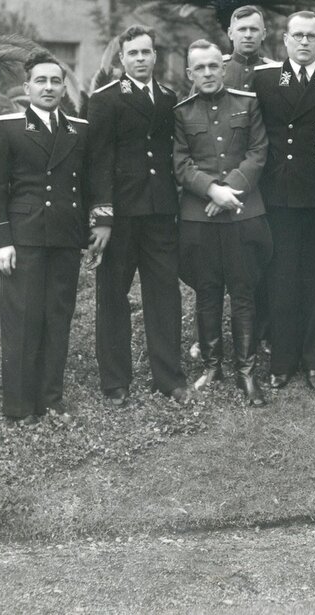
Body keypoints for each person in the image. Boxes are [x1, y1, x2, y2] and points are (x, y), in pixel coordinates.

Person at [0, 52, 106, 425]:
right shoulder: (8, 128)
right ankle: (19, 406)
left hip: (66, 237)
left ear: (63, 87)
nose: (49, 87)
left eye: (55, 81)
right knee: (21, 319)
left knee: (58, 317)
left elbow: (90, 183)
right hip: (24, 238)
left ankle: (51, 399)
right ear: (27, 87)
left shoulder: (78, 130)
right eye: (41, 81)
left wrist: (95, 225)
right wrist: (1, 240)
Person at [87, 25, 191, 406]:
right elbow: (98, 160)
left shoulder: (167, 98)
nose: (141, 59)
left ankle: (169, 378)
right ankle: (116, 380)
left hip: (160, 211)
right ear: (121, 59)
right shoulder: (106, 99)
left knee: (164, 294)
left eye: (146, 52)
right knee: (113, 295)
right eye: (133, 54)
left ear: (155, 56)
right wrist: (102, 215)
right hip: (121, 213)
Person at [252, 10, 315, 391]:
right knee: (281, 275)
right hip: (279, 193)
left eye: (312, 36)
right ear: (285, 40)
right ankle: (283, 359)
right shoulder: (263, 79)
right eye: (298, 35)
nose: (305, 42)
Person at [173, 40, 271, 406]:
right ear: (190, 74)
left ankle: (246, 372)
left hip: (243, 212)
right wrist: (211, 191)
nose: (208, 73)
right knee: (208, 290)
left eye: (214, 66)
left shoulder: (247, 103)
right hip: (199, 217)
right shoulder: (181, 112)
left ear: (223, 67)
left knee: (243, 291)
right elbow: (181, 163)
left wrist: (228, 191)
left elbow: (258, 152)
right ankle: (213, 368)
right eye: (200, 68)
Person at [222, 4, 277, 93]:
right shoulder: (215, 69)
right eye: (242, 29)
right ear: (230, 33)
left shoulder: (276, 72)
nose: (248, 35)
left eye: (254, 29)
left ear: (263, 34)